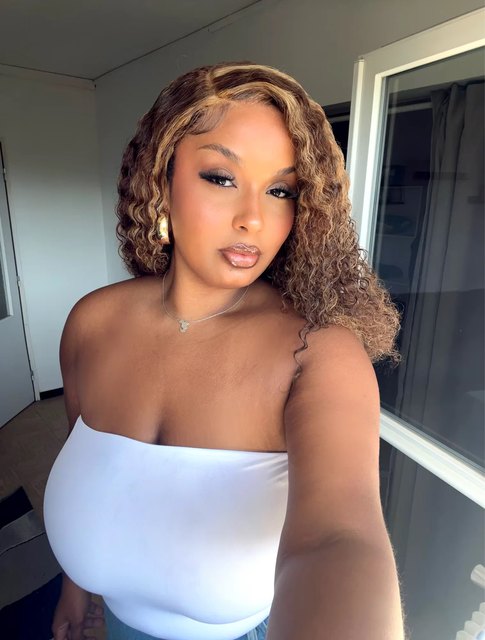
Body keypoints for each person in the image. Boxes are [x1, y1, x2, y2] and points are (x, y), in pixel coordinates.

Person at [43, 61, 406, 640]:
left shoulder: (317, 355)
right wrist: (76, 586)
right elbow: (90, 477)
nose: (253, 219)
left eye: (281, 190)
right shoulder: (93, 322)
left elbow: (339, 541)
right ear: (162, 180)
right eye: (220, 177)